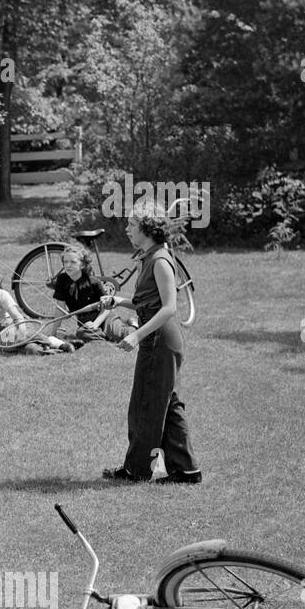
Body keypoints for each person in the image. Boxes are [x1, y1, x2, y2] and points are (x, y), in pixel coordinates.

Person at [102, 202, 201, 484]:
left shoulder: (159, 261)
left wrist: (136, 334)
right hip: (159, 338)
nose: (126, 229)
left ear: (146, 228)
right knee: (166, 404)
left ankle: (137, 470)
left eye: (132, 224)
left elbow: (169, 307)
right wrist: (117, 301)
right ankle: (186, 470)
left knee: (145, 404)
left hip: (160, 339)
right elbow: (147, 301)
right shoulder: (149, 257)